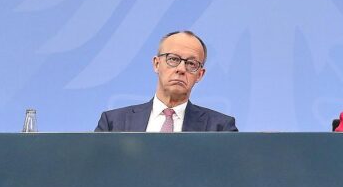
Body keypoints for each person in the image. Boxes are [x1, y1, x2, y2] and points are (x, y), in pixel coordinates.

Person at [95, 31, 237, 132]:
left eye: (191, 63)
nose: (181, 69)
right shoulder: (113, 123)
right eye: (173, 59)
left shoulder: (220, 128)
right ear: (157, 64)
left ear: (200, 75)